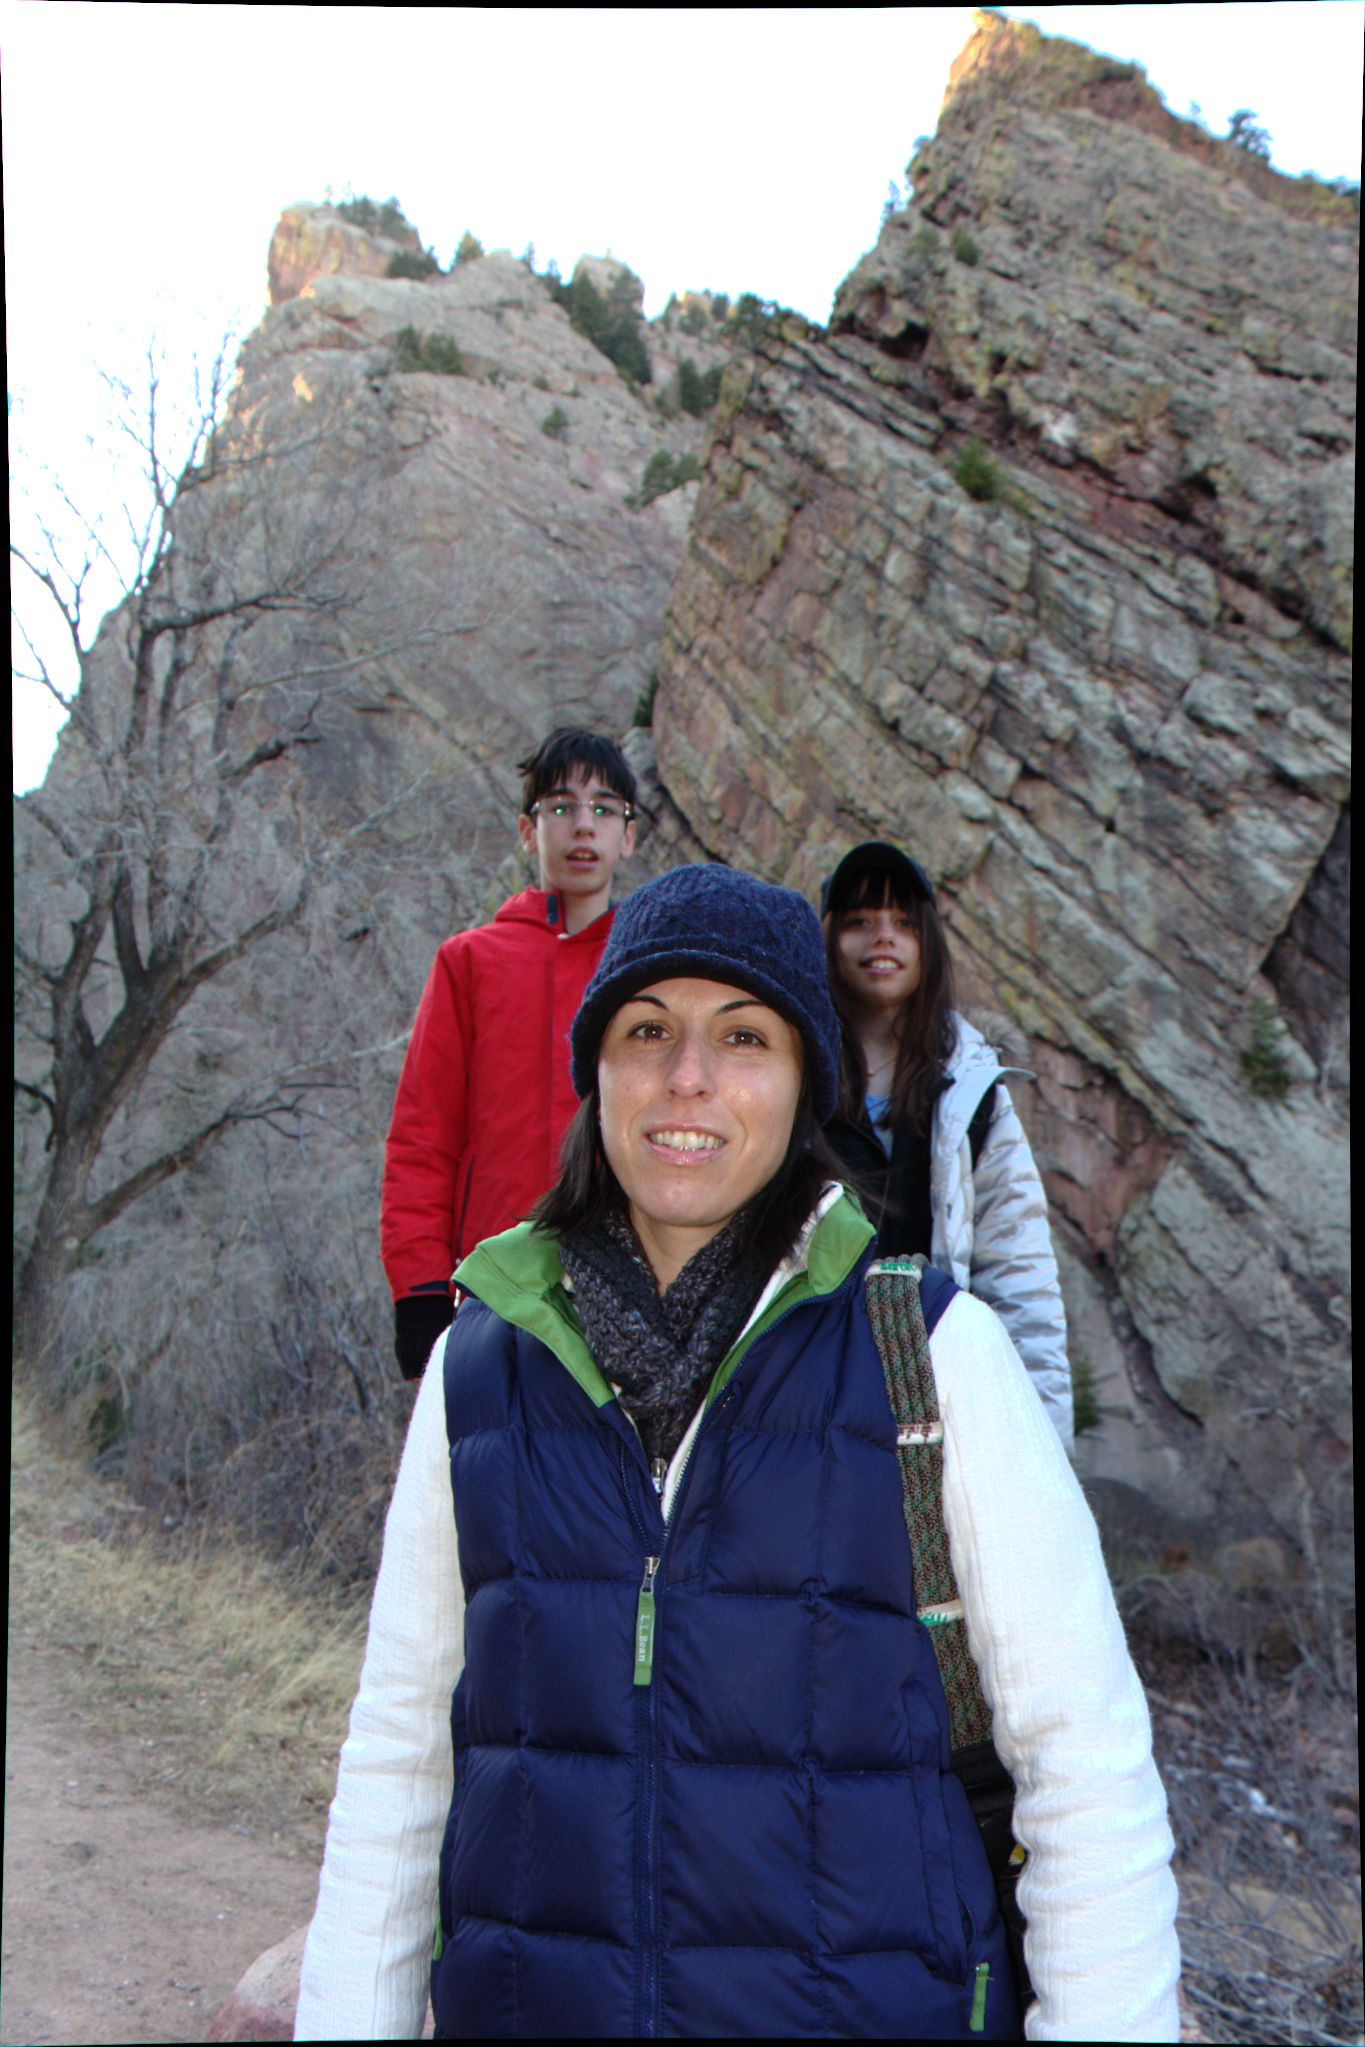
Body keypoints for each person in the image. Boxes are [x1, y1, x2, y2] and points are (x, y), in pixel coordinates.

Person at [296, 864, 1179, 2042]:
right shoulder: (482, 1367)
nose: (689, 1076)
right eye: (647, 1027)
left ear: (805, 1077)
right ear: (595, 1068)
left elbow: (1086, 1771)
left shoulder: (932, 1357)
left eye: (745, 1035)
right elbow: (401, 1761)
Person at [380, 727, 637, 1379]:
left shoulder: (646, 968)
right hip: (490, 1289)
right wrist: (419, 1289)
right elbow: (422, 1137)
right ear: (528, 830)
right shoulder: (469, 962)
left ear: (628, 836)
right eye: (561, 807)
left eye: (604, 809)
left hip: (631, 1285)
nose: (584, 826)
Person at [821, 842, 1073, 1449]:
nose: (884, 937)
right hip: (809, 1384)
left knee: (929, 1545)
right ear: (827, 938)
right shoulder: (793, 1078)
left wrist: (1044, 1448)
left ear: (928, 943)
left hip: (931, 1388)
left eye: (904, 923)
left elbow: (1017, 1268)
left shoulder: (972, 1091)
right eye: (860, 921)